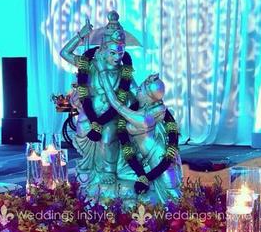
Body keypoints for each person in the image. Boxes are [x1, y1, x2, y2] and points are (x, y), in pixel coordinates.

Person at [60, 11, 137, 198]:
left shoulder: (123, 71)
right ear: (103, 49)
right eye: (113, 53)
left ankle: (108, 171)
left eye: (121, 53)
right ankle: (90, 172)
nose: (117, 57)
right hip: (90, 114)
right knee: (84, 135)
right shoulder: (90, 64)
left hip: (111, 114)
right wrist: (81, 35)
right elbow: (64, 53)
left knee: (108, 138)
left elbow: (135, 92)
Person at [95, 58, 182, 204]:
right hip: (144, 159)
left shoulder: (144, 118)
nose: (137, 90)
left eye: (141, 89)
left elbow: (116, 103)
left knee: (172, 198)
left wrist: (103, 73)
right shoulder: (144, 106)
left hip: (159, 159)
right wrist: (123, 66)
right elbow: (133, 86)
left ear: (148, 97)